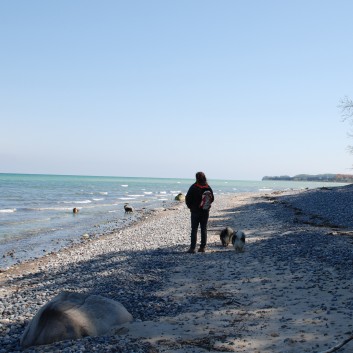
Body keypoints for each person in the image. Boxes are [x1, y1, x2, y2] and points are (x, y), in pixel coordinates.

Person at [185, 172, 214, 253]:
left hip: (195, 211)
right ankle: (202, 247)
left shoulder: (194, 187)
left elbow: (187, 198)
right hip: (205, 211)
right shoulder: (208, 187)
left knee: (194, 229)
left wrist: (190, 207)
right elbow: (212, 198)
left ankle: (192, 248)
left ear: (196, 178)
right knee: (203, 229)